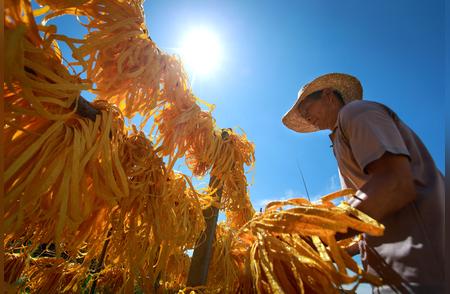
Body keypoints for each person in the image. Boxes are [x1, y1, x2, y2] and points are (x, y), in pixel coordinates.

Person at [282, 73, 444, 293]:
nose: (304, 115)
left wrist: (319, 233)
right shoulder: (338, 141)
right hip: (389, 274)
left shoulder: (355, 112)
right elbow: (369, 220)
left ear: (328, 95)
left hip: (423, 265)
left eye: (305, 107)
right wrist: (332, 251)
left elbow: (395, 184)